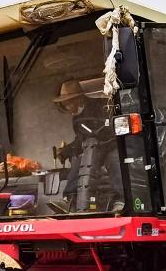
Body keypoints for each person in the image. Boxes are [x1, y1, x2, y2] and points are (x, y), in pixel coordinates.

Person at [47, 80, 125, 214]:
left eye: (68, 101)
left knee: (115, 160)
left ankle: (121, 201)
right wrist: (67, 151)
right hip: (93, 150)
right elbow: (80, 140)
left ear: (78, 98)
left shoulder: (102, 106)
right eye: (64, 103)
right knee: (78, 162)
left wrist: (104, 138)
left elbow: (116, 126)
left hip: (111, 146)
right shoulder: (76, 119)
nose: (66, 105)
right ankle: (69, 201)